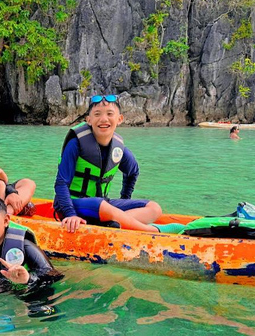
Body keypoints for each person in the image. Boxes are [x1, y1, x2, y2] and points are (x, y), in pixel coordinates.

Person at [54, 94, 181, 234]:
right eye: (97, 114)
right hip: (71, 205)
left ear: (119, 119)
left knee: (154, 208)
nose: (103, 119)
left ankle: (113, 223)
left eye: (110, 114)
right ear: (89, 120)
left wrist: (125, 200)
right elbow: (61, 183)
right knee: (101, 205)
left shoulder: (118, 149)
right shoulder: (76, 144)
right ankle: (153, 230)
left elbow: (133, 172)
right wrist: (70, 214)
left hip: (103, 206)